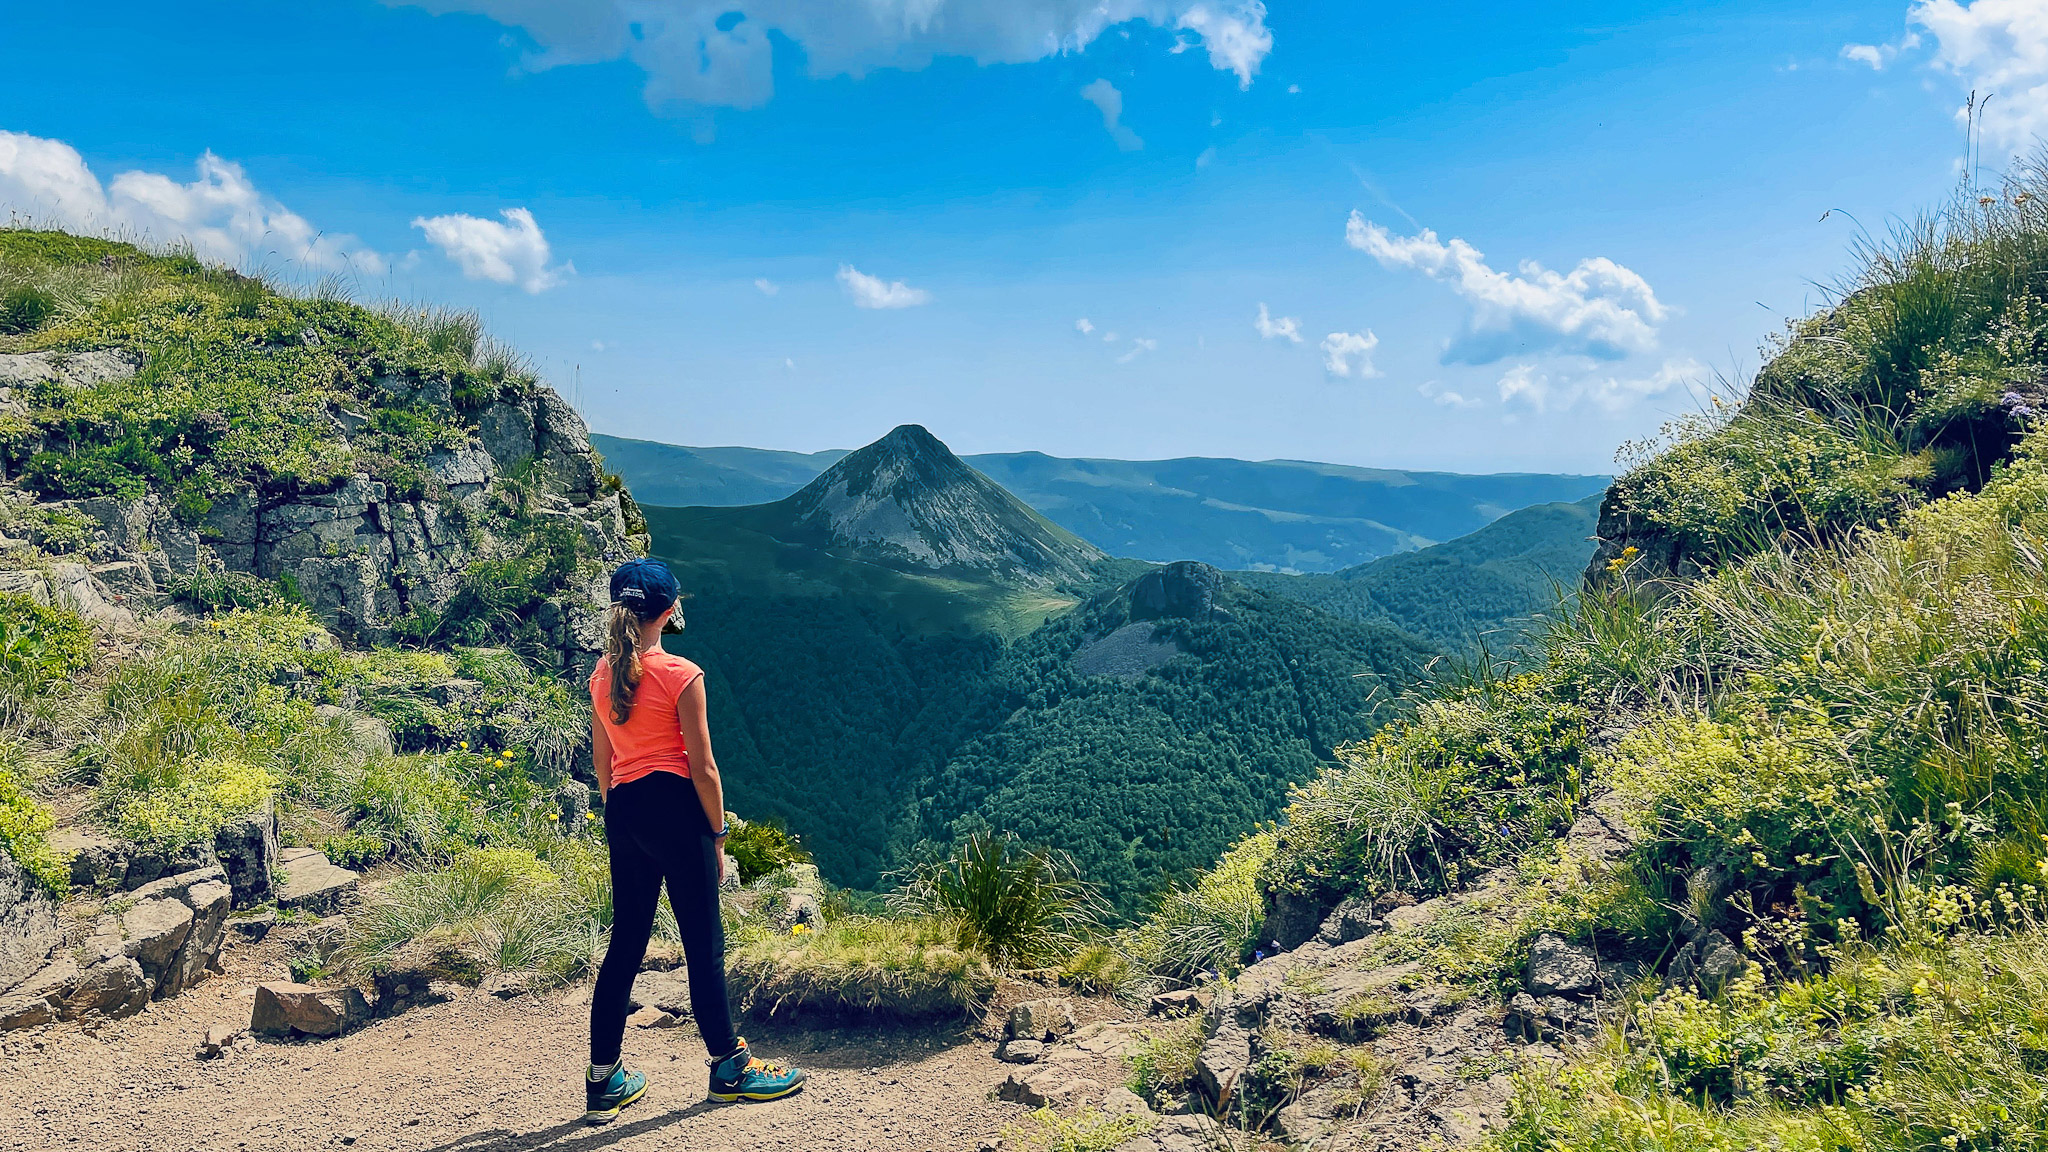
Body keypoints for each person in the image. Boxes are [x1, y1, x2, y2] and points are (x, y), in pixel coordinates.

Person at [582, 557, 806, 1124]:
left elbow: (603, 766)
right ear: (668, 612)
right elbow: (703, 768)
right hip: (675, 807)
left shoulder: (602, 677)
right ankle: (728, 1067)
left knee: (626, 943)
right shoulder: (682, 674)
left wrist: (625, 826)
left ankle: (604, 1078)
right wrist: (717, 834)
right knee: (703, 942)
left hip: (625, 809)